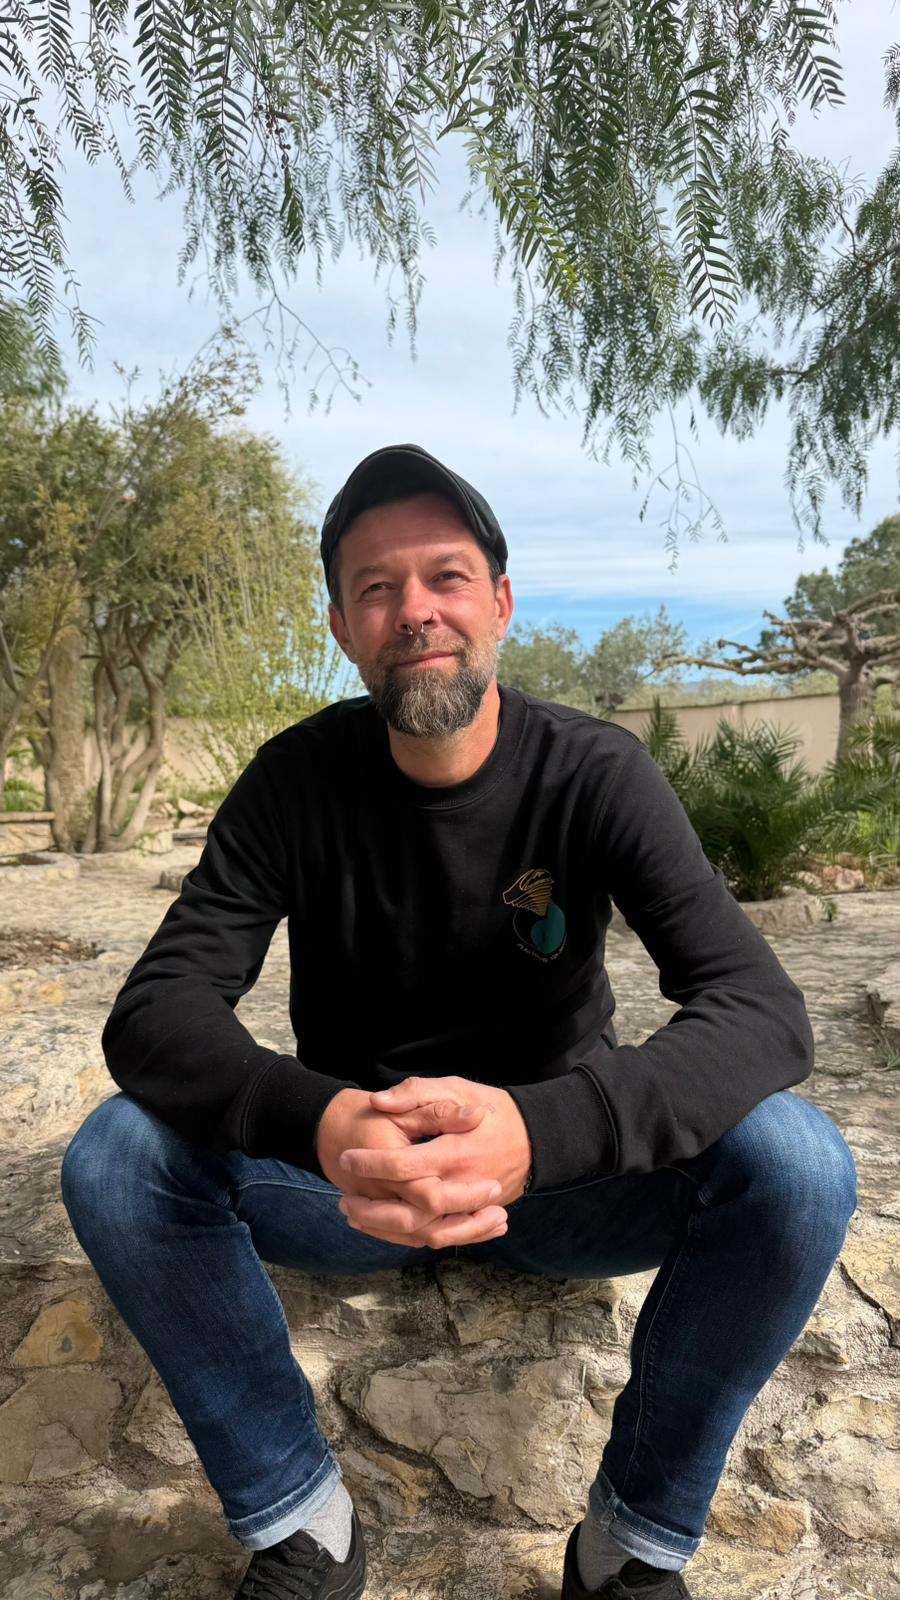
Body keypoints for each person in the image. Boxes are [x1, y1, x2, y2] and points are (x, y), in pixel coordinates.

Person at [61, 443, 858, 1600]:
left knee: (799, 1163)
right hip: (354, 1187)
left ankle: (630, 1545)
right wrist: (323, 1121)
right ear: (342, 626)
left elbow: (758, 1009)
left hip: (567, 1187)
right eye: (376, 587)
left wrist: (541, 1132)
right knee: (118, 1155)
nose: (415, 610)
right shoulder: (293, 782)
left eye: (445, 576)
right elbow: (158, 1009)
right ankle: (301, 1519)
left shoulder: (595, 772)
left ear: (500, 602)